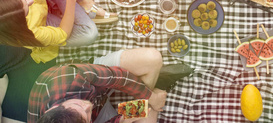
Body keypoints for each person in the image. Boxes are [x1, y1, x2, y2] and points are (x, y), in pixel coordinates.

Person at [27, 48, 168, 122]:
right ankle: (152, 93)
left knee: (152, 58)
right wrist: (121, 120)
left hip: (95, 80)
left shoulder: (70, 77)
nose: (89, 106)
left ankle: (153, 96)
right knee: (144, 114)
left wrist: (151, 97)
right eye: (86, 116)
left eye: (78, 106)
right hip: (99, 113)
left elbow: (118, 77)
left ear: (55, 108)